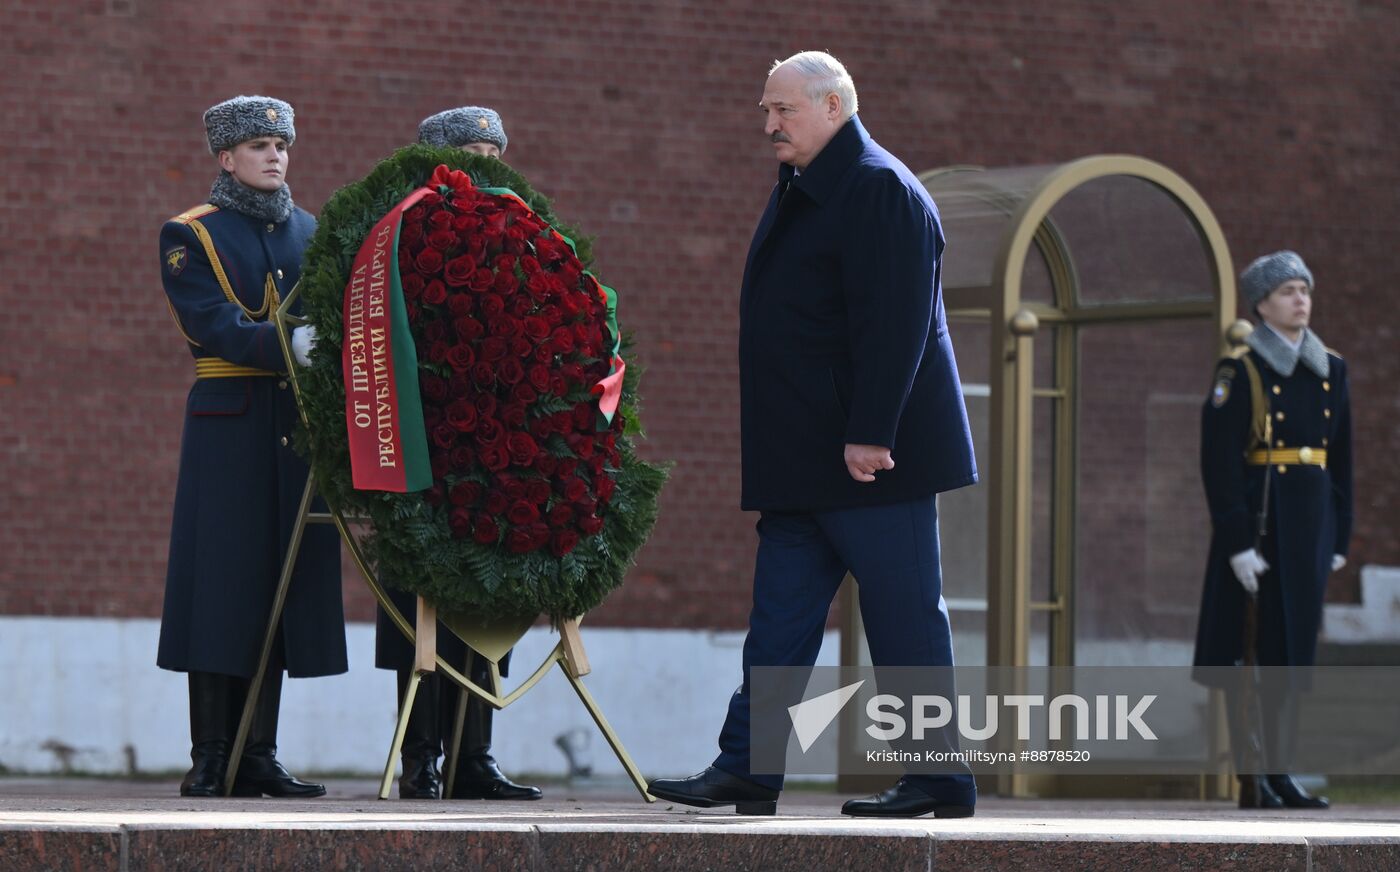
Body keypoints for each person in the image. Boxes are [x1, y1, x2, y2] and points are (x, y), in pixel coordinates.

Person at [648, 52, 979, 818]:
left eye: (782, 111)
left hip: (870, 463)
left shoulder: (880, 188)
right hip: (804, 461)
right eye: (766, 111)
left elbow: (899, 327)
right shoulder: (812, 183)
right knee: (779, 627)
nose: (768, 125)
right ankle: (749, 770)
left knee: (904, 622)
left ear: (833, 105)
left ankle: (939, 779)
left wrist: (870, 433)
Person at [157, 96, 347, 797]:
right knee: (220, 588)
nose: (275, 155)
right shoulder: (189, 233)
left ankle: (257, 752)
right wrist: (289, 345)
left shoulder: (312, 232)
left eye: (282, 145)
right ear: (226, 158)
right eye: (260, 145)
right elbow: (212, 323)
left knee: (279, 584)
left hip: (295, 428)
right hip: (228, 422)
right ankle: (211, 753)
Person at [371, 105, 541, 802]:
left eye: (497, 150)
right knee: (419, 603)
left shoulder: (521, 231)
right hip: (420, 439)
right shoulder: (400, 230)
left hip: (492, 445)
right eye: (475, 150)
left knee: (485, 590)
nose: (489, 164)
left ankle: (476, 757)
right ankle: (421, 758)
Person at [1192, 250, 1352, 809]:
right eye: (1287, 291)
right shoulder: (1241, 370)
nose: (1300, 299)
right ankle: (1252, 774)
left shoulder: (1331, 368)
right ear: (1261, 304)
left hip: (1308, 531)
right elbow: (1219, 461)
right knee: (1245, 656)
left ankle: (1282, 771)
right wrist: (1236, 543)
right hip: (1259, 532)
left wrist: (1339, 538)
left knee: (1290, 656)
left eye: (1304, 289)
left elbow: (1341, 461)